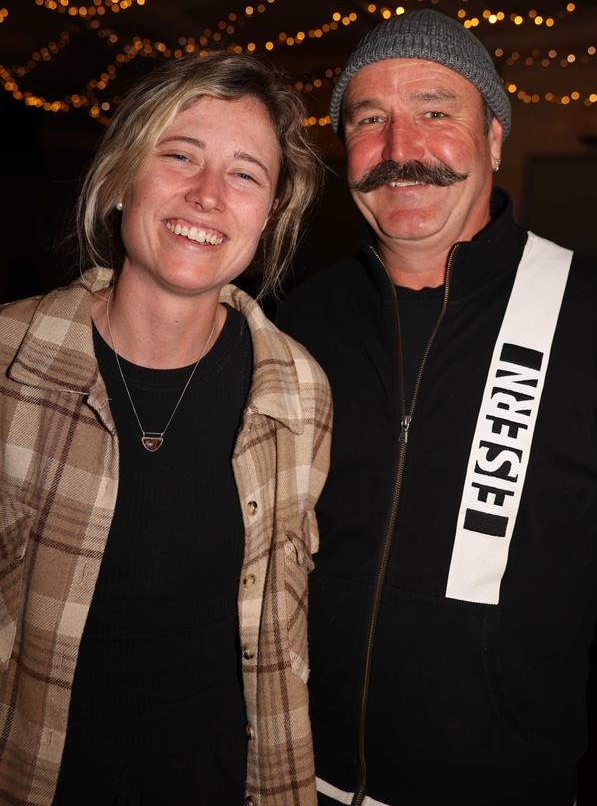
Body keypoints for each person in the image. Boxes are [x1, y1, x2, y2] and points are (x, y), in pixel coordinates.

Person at [277, 10, 597, 806]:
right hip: (290, 777)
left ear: (493, 137)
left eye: (435, 111)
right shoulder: (293, 326)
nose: (399, 148)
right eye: (368, 119)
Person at [0, 52, 331, 806]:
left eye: (246, 174)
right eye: (179, 155)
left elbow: (282, 648)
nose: (208, 195)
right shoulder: (7, 366)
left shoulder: (299, 394)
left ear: (271, 213)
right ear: (122, 180)